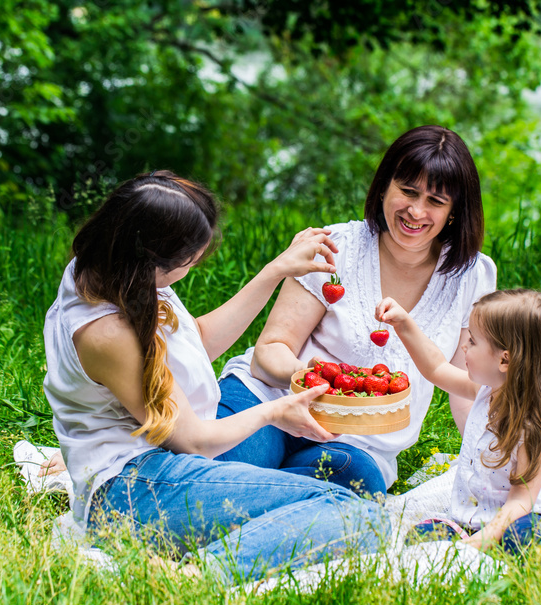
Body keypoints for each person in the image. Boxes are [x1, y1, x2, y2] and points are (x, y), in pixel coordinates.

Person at [41, 170, 388, 582]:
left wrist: (274, 271)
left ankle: (265, 514)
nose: (193, 267)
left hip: (173, 462)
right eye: (189, 261)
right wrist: (275, 412)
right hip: (135, 490)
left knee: (354, 474)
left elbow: (197, 343)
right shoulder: (106, 332)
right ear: (151, 261)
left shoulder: (115, 270)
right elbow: (192, 439)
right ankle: (195, 579)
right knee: (360, 517)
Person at [216, 125, 497, 496]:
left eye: (435, 201)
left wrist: (487, 458)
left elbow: (465, 385)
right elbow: (268, 354)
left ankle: (254, 508)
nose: (416, 211)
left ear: (454, 212)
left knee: (345, 492)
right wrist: (321, 385)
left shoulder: (473, 275)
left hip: (360, 443)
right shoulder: (334, 247)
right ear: (384, 187)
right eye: (408, 191)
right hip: (270, 402)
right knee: (219, 467)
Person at [375, 289, 541, 553]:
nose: (463, 346)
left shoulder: (538, 429)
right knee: (423, 535)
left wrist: (483, 540)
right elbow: (436, 368)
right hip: (474, 522)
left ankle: (505, 555)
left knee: (528, 538)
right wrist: (404, 324)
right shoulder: (486, 393)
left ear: (505, 359)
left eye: (472, 341)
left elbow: (521, 501)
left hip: (521, 520)